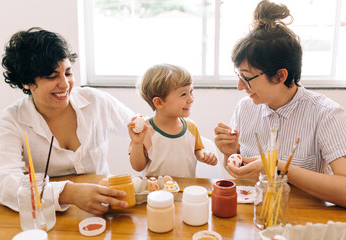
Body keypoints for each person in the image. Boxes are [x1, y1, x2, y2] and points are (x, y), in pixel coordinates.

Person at [0, 27, 135, 215]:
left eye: (68, 73)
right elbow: (0, 180)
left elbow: (141, 127)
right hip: (52, 217)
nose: (65, 84)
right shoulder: (10, 120)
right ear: (26, 82)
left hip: (107, 209)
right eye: (52, 76)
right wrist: (67, 192)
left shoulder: (96, 101)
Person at [214, 0, 346, 207]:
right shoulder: (245, 107)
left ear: (280, 76)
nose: (240, 86)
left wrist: (277, 167)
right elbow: (243, 178)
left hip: (303, 222)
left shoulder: (327, 115)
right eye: (238, 76)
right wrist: (231, 153)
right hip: (255, 215)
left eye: (246, 77)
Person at [128, 64, 218, 178]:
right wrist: (137, 143)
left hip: (184, 190)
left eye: (191, 91)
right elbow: (138, 167)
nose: (191, 99)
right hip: (155, 193)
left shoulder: (191, 126)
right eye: (183, 94)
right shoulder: (145, 130)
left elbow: (196, 150)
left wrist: (204, 155)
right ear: (159, 102)